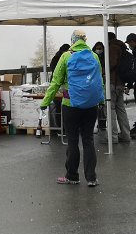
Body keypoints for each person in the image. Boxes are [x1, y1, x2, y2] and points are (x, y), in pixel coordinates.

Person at [40, 30, 103, 187]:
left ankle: (72, 176)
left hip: (70, 105)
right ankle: (91, 178)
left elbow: (55, 82)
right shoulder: (94, 56)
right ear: (85, 40)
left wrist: (45, 101)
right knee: (88, 140)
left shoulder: (66, 56)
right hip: (91, 105)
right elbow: (99, 80)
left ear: (73, 40)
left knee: (73, 141)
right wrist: (100, 100)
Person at [100, 31, 131, 143]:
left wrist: (102, 71)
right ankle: (126, 134)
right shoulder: (122, 47)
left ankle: (113, 137)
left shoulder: (112, 48)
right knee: (121, 109)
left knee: (110, 109)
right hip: (121, 83)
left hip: (112, 82)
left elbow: (111, 64)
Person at [91, 41, 107, 132]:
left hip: (102, 82)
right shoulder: (93, 57)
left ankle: (102, 124)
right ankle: (97, 123)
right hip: (96, 82)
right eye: (97, 48)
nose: (99, 50)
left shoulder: (105, 58)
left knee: (102, 105)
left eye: (100, 48)